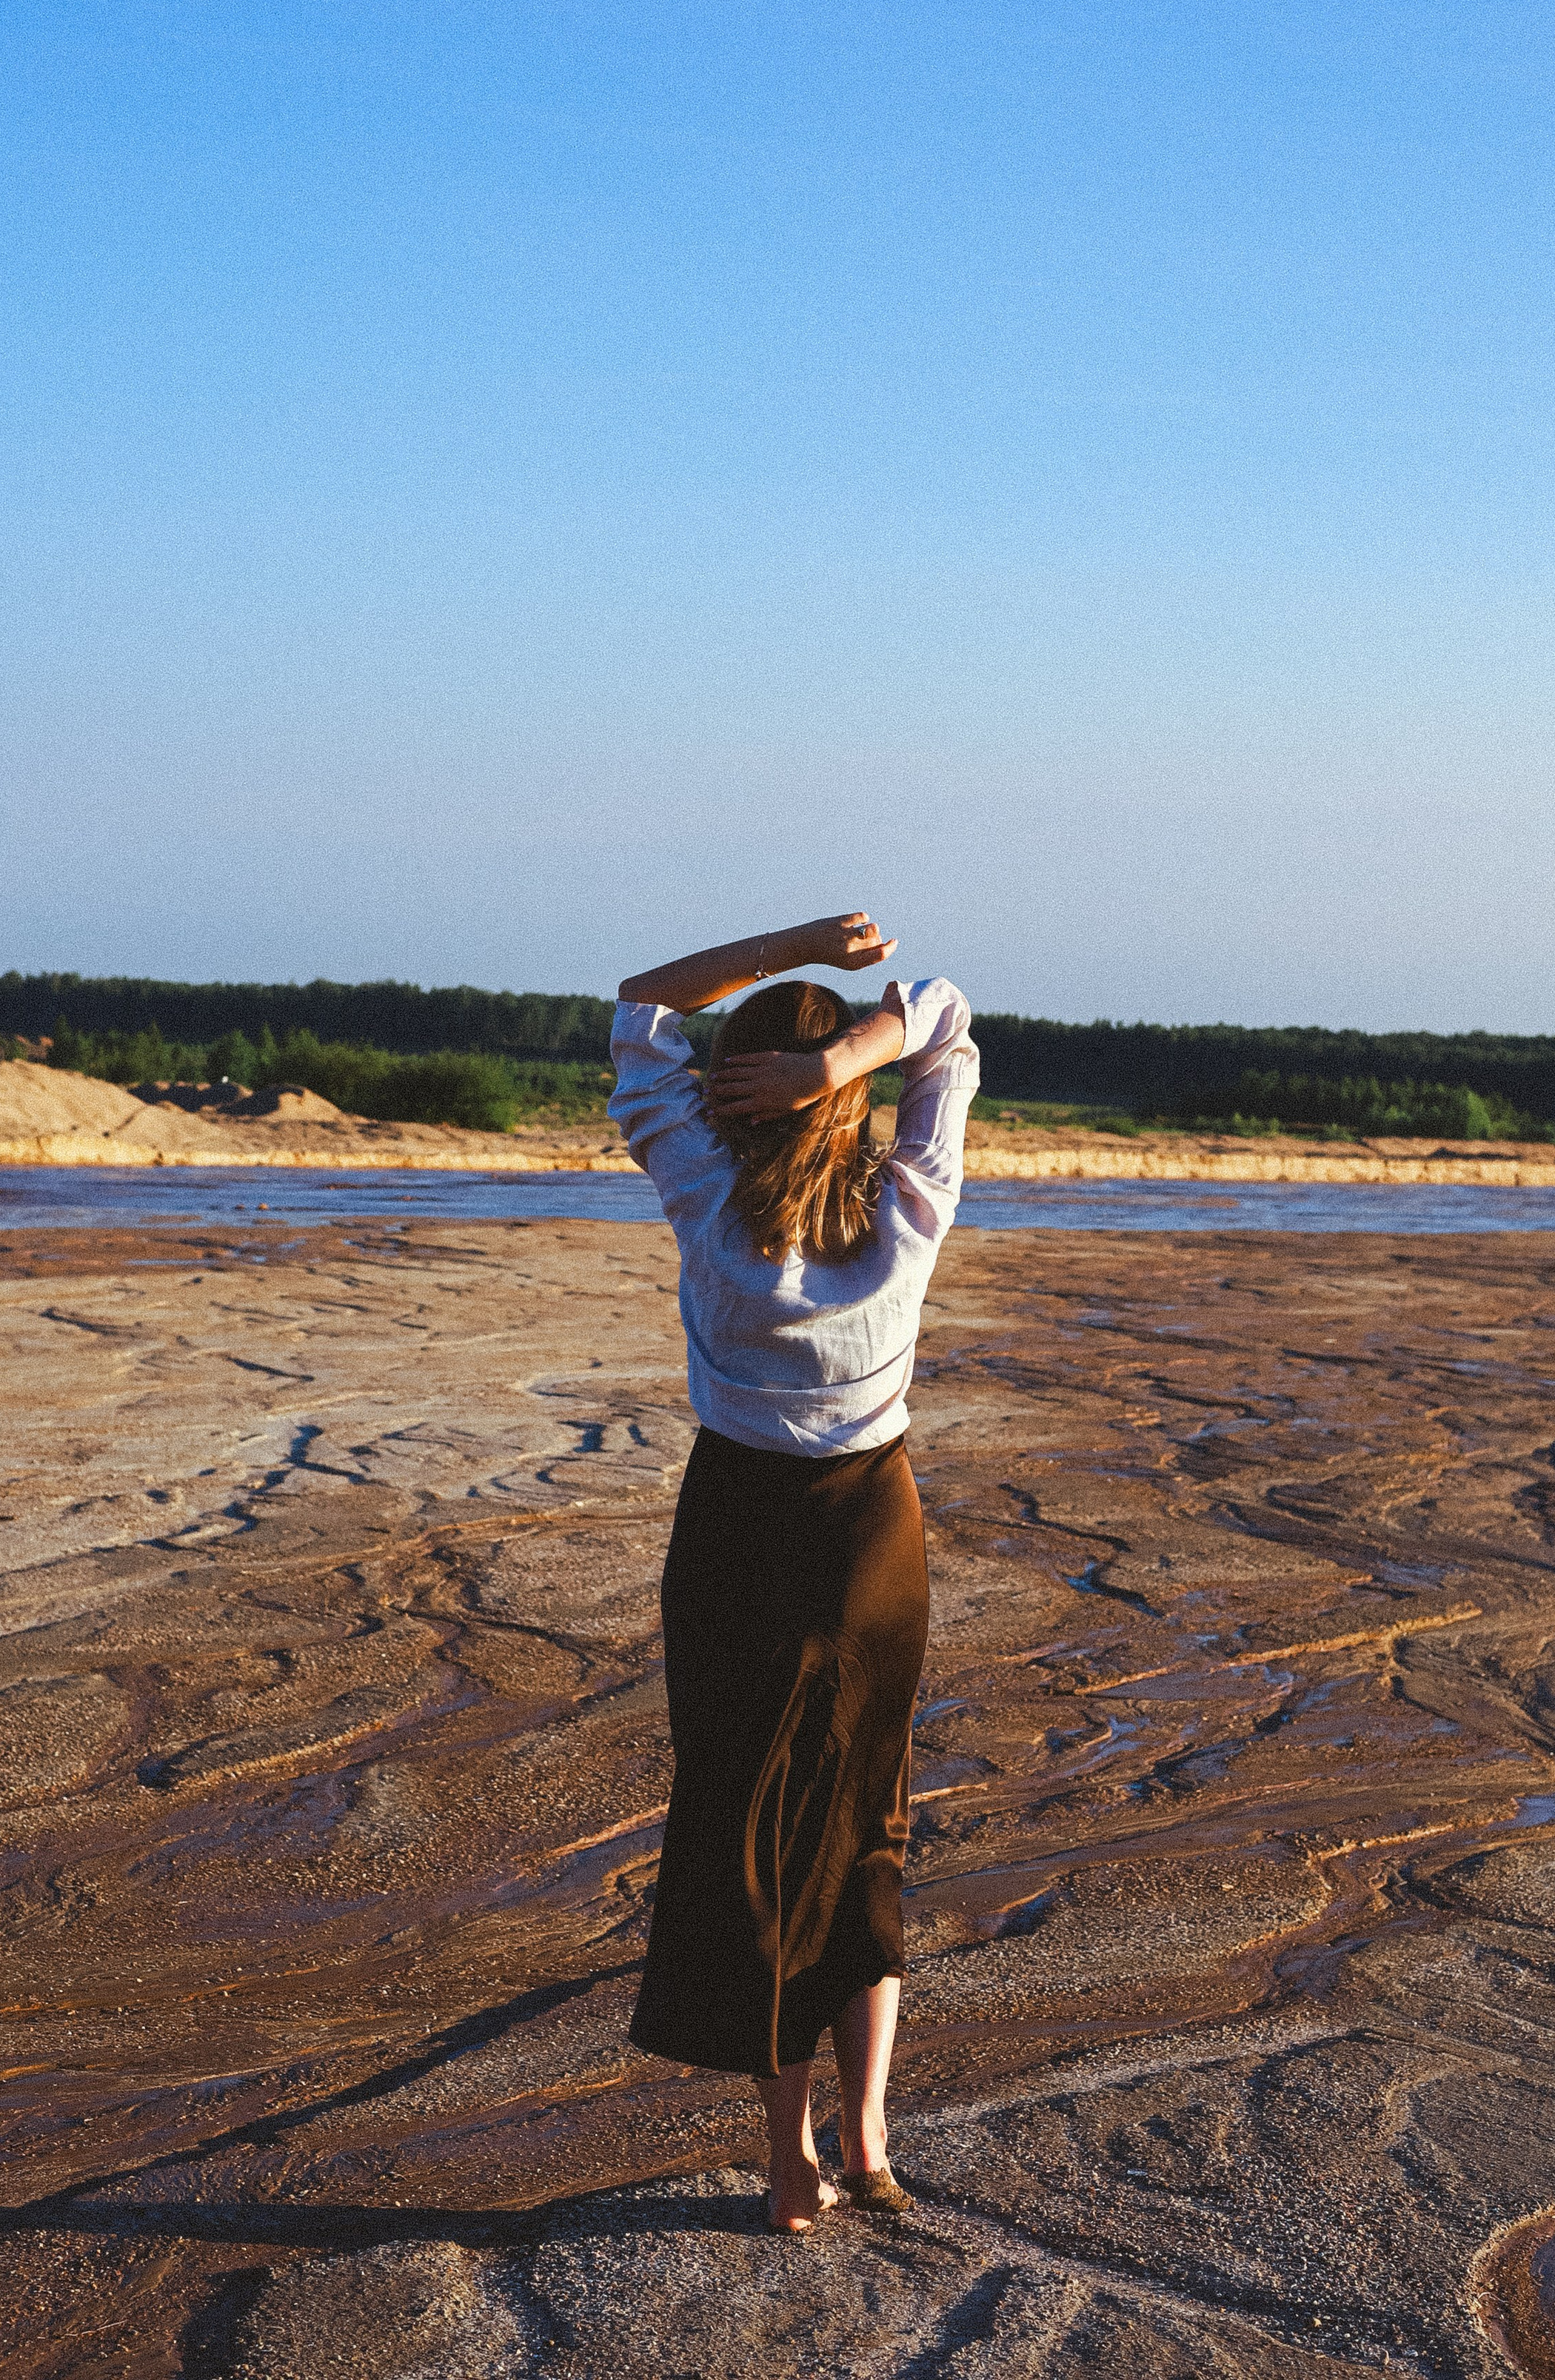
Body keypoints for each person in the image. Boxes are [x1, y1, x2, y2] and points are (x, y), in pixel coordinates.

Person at [609, 911, 978, 2232]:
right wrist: (861, 1050)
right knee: (865, 1823)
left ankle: (791, 2161)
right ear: (843, 1102)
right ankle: (871, 2138)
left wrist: (788, 949)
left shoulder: (705, 1199)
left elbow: (639, 1007)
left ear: (730, 1091)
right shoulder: (909, 1214)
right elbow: (953, 1024)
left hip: (738, 1536)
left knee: (749, 1835)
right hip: (873, 1535)